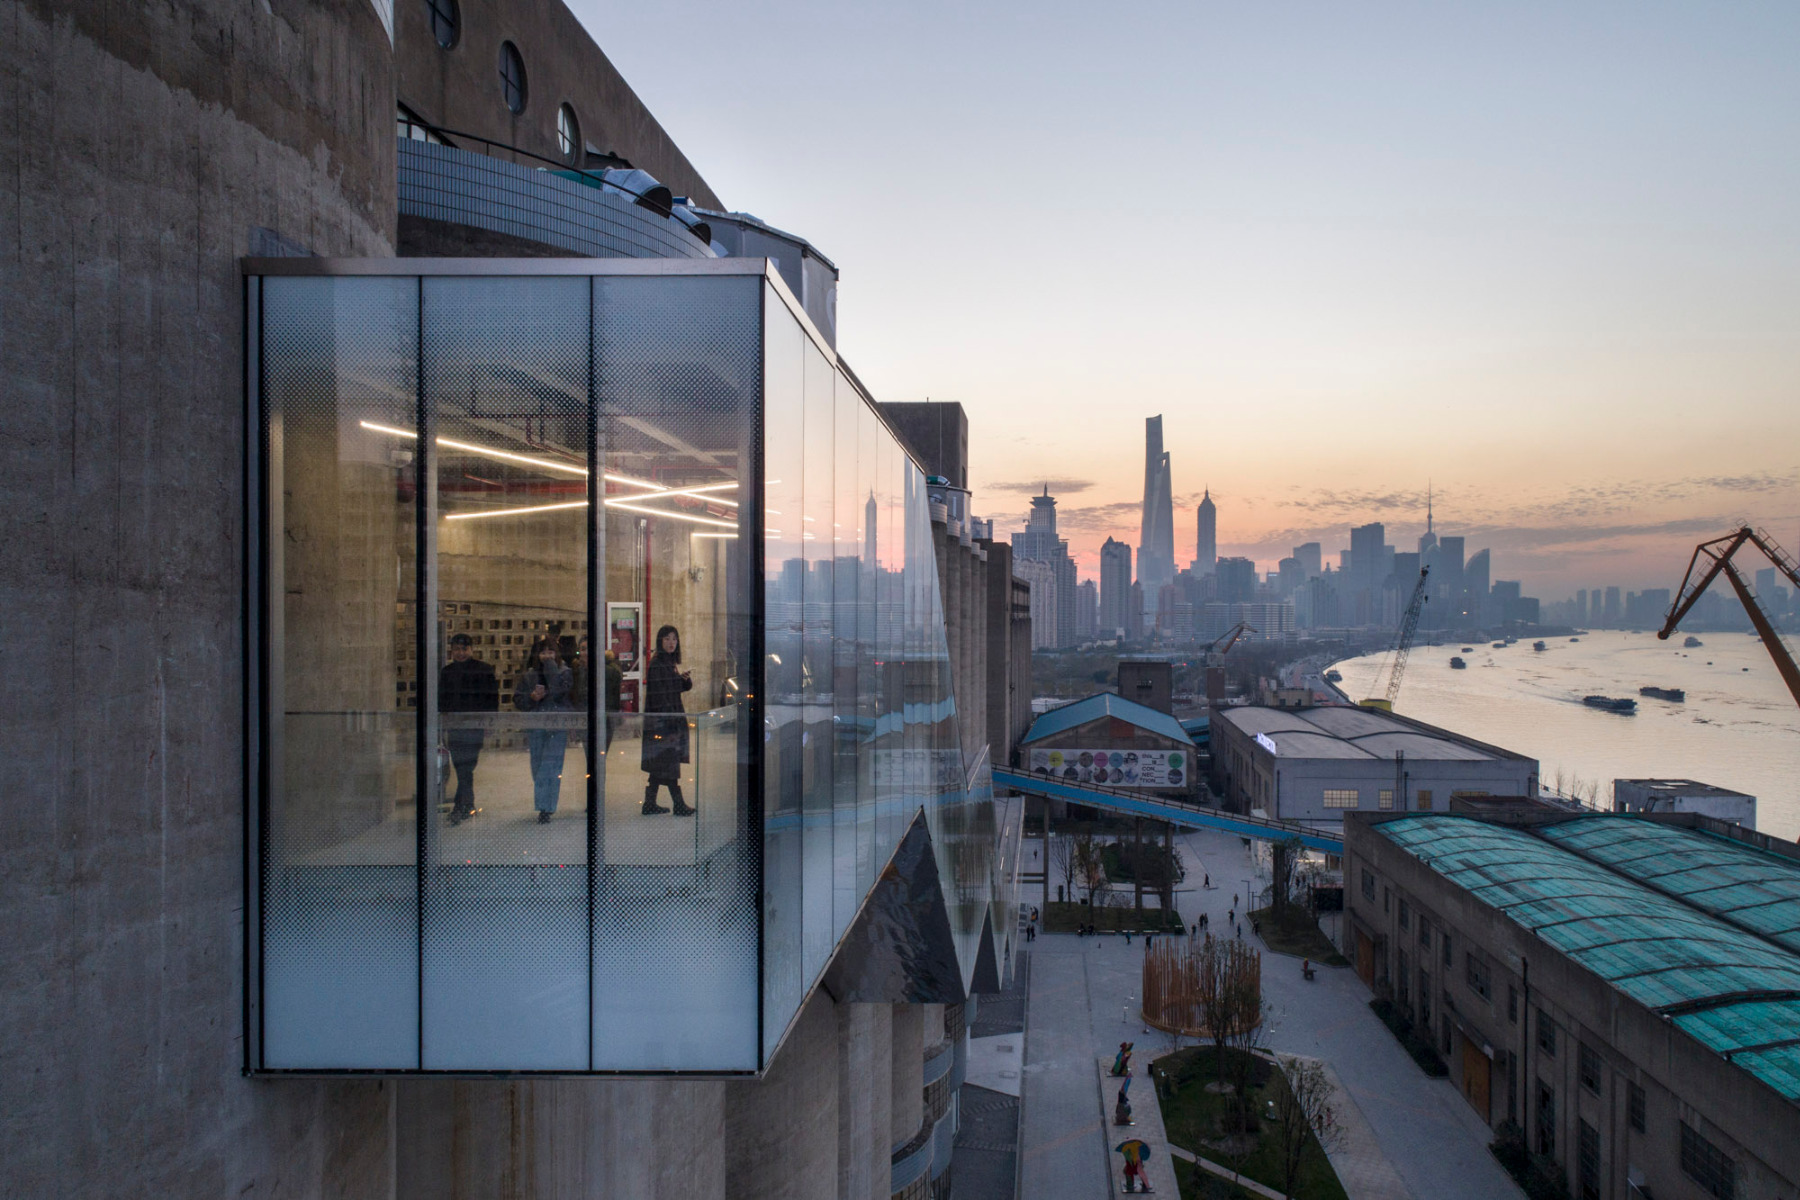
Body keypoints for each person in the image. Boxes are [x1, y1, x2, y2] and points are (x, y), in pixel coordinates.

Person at [439, 633, 498, 825]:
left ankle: (460, 807)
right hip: (455, 728)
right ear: (452, 651)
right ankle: (467, 805)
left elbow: (492, 699)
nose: (461, 653)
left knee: (466, 766)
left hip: (474, 727)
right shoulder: (446, 672)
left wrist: (490, 723)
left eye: (464, 649)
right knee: (462, 767)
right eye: (457, 649)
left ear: (471, 649)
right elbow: (442, 701)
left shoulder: (484, 670)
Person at [515, 636, 573, 823]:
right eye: (543, 652)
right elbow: (519, 700)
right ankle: (544, 802)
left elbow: (560, 692)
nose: (547, 656)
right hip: (537, 726)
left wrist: (551, 669)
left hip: (557, 726)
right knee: (538, 766)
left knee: (551, 766)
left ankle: (546, 808)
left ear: (557, 653)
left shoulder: (565, 672)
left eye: (550, 652)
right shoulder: (529, 675)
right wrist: (532, 697)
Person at [641, 624, 695, 816]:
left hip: (668, 720)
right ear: (660, 641)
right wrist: (668, 722)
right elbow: (659, 696)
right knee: (668, 763)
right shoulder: (658, 664)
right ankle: (678, 804)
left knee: (660, 763)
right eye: (667, 639)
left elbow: (673, 689)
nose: (671, 642)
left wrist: (683, 680)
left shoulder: (668, 662)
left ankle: (649, 803)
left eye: (674, 638)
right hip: (664, 723)